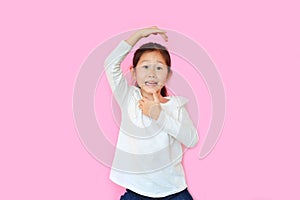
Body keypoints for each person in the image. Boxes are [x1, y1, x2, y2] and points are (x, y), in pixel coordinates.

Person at [104, 26, 198, 199]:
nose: (152, 74)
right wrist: (138, 35)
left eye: (159, 68)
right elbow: (110, 64)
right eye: (145, 67)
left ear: (168, 75)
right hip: (136, 192)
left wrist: (159, 116)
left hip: (174, 192)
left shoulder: (176, 106)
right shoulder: (129, 98)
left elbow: (192, 139)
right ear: (133, 72)